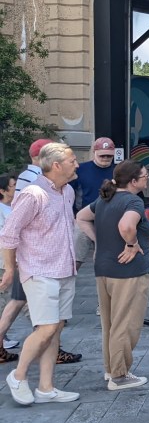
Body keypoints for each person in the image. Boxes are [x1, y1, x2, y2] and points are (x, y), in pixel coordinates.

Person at [0, 143, 81, 405]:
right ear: (56, 165)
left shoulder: (67, 191)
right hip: (39, 269)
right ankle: (18, 375)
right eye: (72, 160)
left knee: (55, 329)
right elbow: (9, 233)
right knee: (45, 328)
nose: (77, 164)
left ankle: (46, 388)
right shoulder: (33, 194)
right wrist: (11, 268)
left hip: (64, 269)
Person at [75, 159, 149, 390]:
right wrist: (131, 245)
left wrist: (99, 240)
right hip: (128, 271)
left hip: (104, 268)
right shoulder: (133, 201)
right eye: (145, 175)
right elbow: (127, 227)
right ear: (133, 181)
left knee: (110, 323)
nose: (147, 178)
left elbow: (81, 217)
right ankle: (120, 375)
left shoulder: (105, 199)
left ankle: (112, 370)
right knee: (125, 323)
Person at [0, 172, 19, 361]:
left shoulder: (13, 206)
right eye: (13, 186)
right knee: (6, 299)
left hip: (16, 260)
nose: (16, 188)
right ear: (3, 190)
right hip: (4, 262)